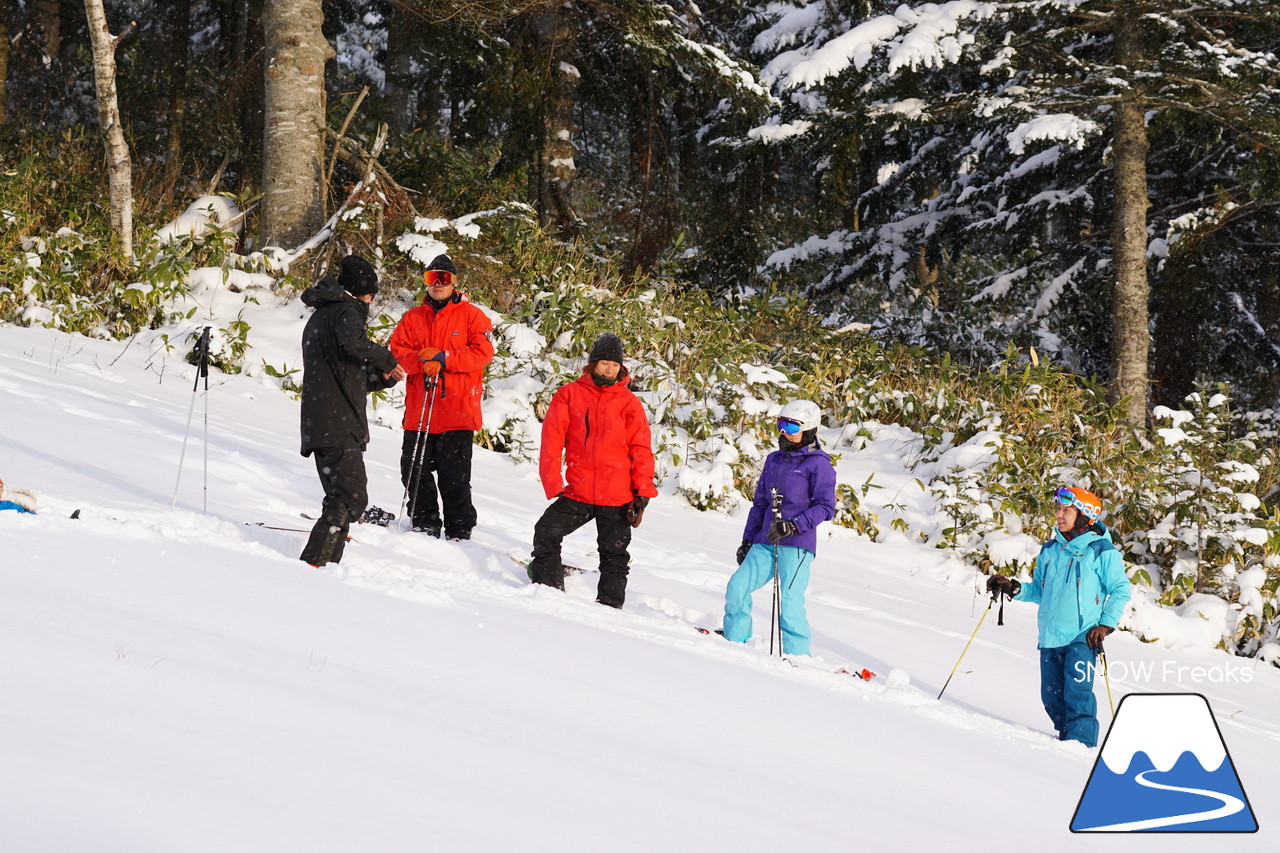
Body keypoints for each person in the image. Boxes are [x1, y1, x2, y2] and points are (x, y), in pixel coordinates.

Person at [987, 486, 1131, 747]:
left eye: (1067, 510)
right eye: (1059, 509)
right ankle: (1067, 746)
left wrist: (1105, 624)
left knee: (1078, 695)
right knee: (1051, 699)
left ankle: (1081, 747)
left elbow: (1120, 589)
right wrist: (1013, 588)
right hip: (1050, 636)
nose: (1059, 515)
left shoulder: (1101, 550)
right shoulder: (1050, 550)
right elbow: (1040, 591)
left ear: (1086, 516)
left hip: (1083, 636)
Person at [528, 333, 657, 608]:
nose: (610, 370)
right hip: (579, 490)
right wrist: (553, 483)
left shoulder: (629, 403)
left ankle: (609, 608)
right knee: (546, 532)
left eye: (615, 365)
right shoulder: (569, 395)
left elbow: (640, 448)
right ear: (592, 364)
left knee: (615, 556)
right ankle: (548, 591)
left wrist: (642, 491)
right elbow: (551, 442)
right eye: (604, 363)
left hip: (618, 494)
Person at [298, 255, 405, 567]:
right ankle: (317, 559)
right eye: (371, 294)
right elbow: (354, 344)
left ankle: (326, 552)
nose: (372, 300)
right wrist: (386, 359)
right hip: (337, 422)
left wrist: (379, 378)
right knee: (350, 496)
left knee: (340, 495)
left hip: (322, 420)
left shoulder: (322, 315)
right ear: (362, 292)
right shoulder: (346, 311)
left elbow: (345, 373)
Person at [389, 254, 495, 539]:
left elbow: (483, 352)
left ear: (454, 282)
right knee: (412, 470)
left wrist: (445, 358)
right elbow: (398, 350)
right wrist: (423, 363)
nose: (437, 284)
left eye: (443, 278)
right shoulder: (412, 317)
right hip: (420, 410)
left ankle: (460, 528)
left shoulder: (473, 315)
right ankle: (425, 522)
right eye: (431, 278)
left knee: (454, 477)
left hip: (457, 411)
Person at [723, 400, 836, 655]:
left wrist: (793, 527)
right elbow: (760, 503)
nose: (784, 431)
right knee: (737, 587)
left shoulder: (819, 464)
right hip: (765, 540)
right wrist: (748, 540)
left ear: (808, 430)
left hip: (796, 546)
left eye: (791, 426)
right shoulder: (774, 460)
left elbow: (826, 507)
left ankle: (798, 655)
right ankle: (734, 641)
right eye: (781, 424)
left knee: (791, 601)